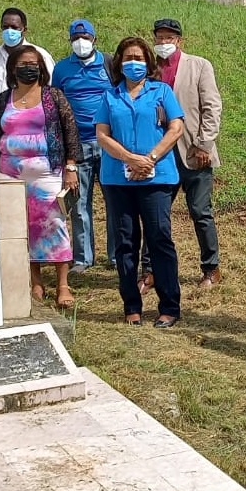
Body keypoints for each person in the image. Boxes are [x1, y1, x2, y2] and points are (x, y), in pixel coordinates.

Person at [94, 37, 184, 328]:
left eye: (140, 58)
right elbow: (102, 135)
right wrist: (130, 158)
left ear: (149, 62)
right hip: (118, 180)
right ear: (119, 62)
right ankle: (131, 305)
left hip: (156, 179)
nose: (134, 63)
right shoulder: (109, 97)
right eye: (128, 57)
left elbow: (176, 127)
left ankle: (169, 306)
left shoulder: (162, 91)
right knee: (125, 243)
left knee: (159, 239)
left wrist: (151, 158)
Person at [0, 45, 81, 309]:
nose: (29, 68)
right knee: (22, 228)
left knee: (54, 226)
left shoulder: (53, 96)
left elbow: (70, 131)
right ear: (13, 68)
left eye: (34, 63)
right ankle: (35, 282)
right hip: (10, 174)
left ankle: (62, 284)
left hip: (48, 174)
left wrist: (71, 168)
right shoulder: (4, 99)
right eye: (23, 64)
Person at [141, 18, 223, 291]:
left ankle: (211, 269)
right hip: (160, 153)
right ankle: (150, 271)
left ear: (179, 41)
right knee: (155, 213)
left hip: (192, 151)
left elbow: (212, 108)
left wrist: (204, 144)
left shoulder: (199, 65)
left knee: (200, 211)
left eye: (169, 38)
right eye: (159, 38)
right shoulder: (149, 69)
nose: (164, 43)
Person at [51, 18, 117, 273]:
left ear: (94, 40)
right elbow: (56, 103)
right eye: (76, 39)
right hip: (77, 145)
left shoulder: (109, 64)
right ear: (70, 41)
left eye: (86, 38)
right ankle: (82, 258)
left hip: (108, 142)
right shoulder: (62, 69)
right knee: (79, 204)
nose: (81, 43)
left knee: (114, 200)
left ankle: (115, 256)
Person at [0, 8, 55, 119]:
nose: (9, 31)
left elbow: (51, 91)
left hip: (29, 128)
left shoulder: (40, 56)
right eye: (5, 27)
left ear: (24, 29)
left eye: (14, 27)